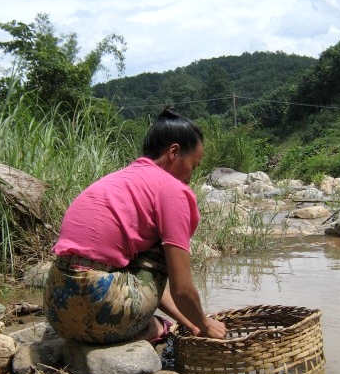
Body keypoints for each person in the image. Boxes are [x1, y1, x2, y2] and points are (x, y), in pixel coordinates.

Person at [44, 108, 226, 345]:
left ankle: (139, 325)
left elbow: (143, 274)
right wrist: (204, 324)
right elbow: (180, 288)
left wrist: (191, 324)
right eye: (193, 166)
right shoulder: (172, 189)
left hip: (57, 311)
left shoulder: (120, 179)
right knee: (162, 246)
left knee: (144, 249)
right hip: (97, 304)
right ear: (174, 151)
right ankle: (146, 329)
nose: (191, 177)